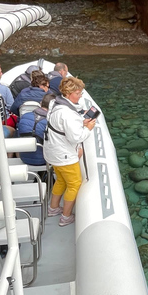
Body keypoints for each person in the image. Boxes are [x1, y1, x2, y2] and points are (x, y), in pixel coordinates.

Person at [44, 77, 95, 226]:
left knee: (60, 180)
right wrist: (87, 128)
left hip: (52, 152)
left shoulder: (55, 103)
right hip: (64, 155)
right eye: (78, 93)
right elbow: (76, 137)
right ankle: (66, 216)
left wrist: (80, 121)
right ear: (69, 93)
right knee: (74, 184)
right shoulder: (68, 114)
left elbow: (60, 126)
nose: (80, 96)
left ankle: (53, 208)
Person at [16, 93, 55, 166]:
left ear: (40, 103)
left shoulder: (24, 116)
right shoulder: (51, 121)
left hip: (24, 157)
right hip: (44, 160)